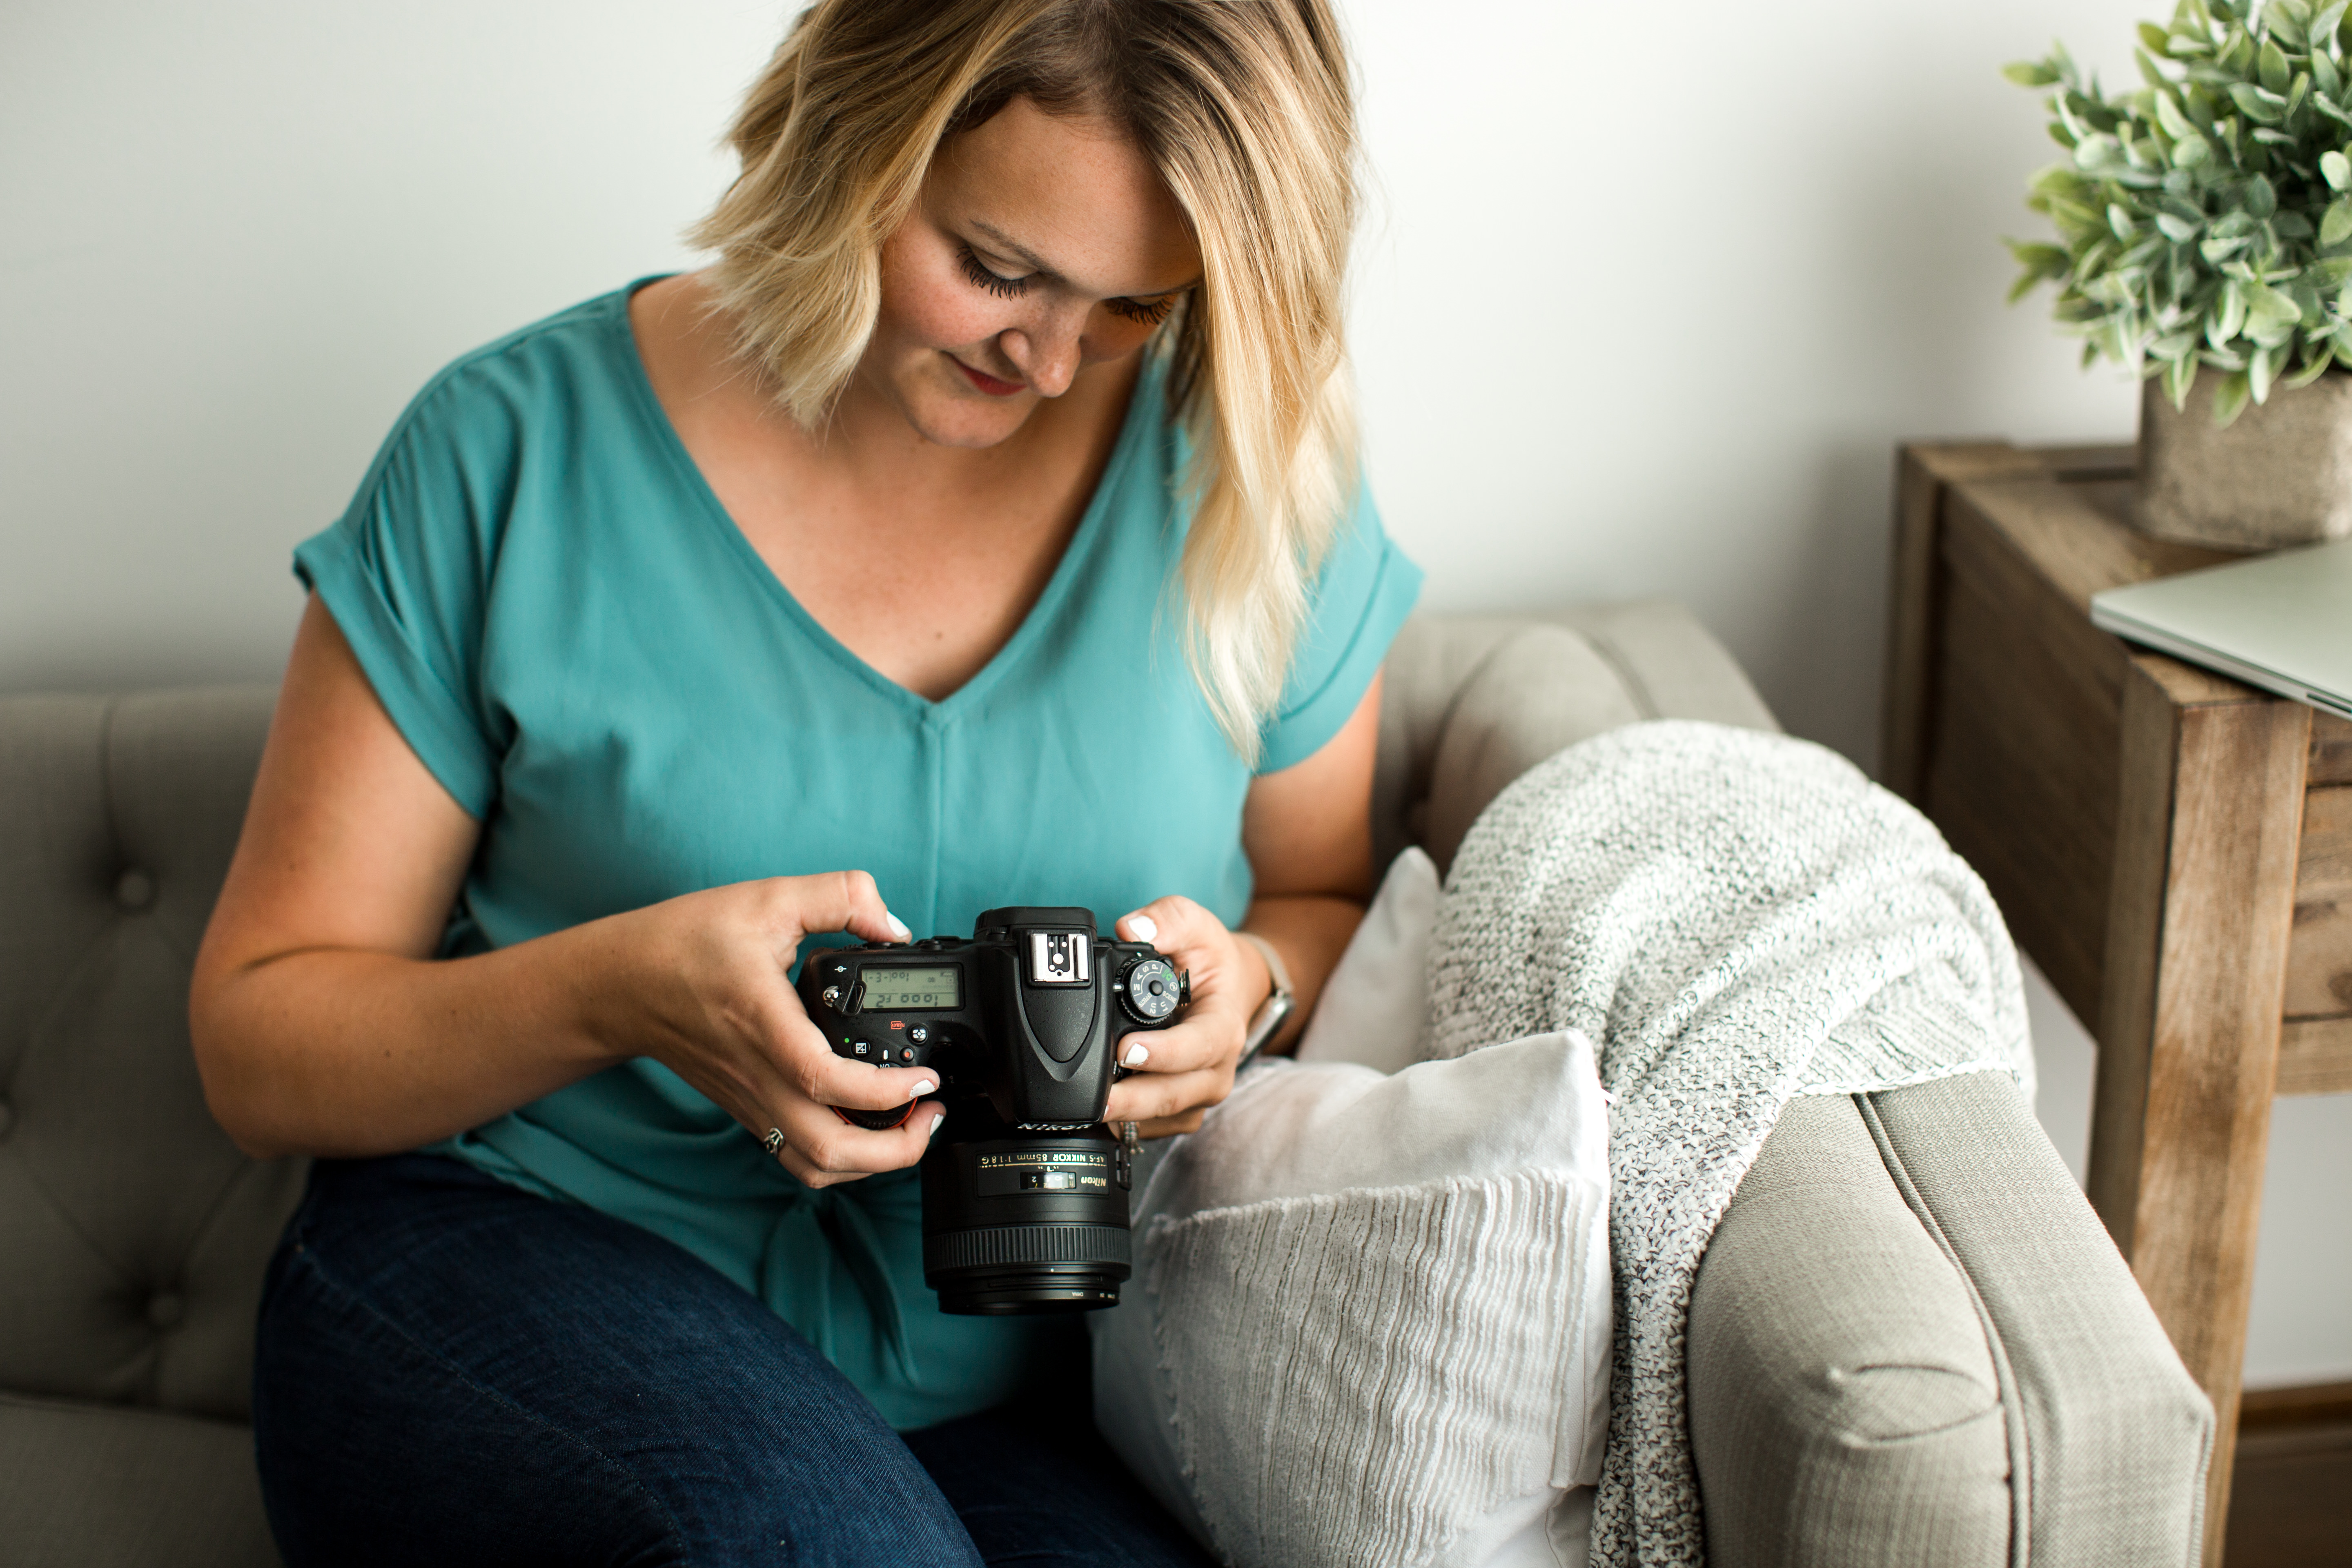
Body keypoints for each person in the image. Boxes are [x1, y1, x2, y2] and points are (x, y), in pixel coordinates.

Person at [189, 2, 1420, 1563]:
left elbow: (1320, 895)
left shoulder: (1251, 472)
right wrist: (623, 996)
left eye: (1133, 305)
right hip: (507, 1260)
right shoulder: (509, 449)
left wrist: (1245, 988)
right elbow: (259, 1035)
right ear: (858, 135)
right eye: (996, 268)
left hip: (1007, 1373)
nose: (1048, 363)